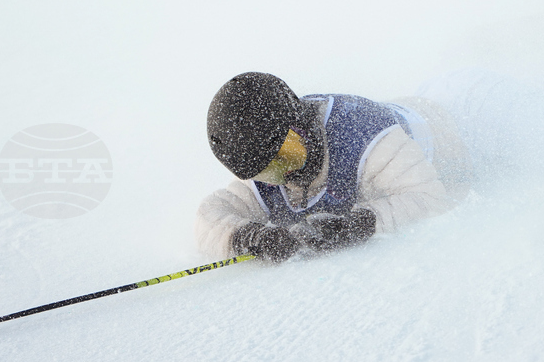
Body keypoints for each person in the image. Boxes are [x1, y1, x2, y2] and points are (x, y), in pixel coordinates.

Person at [195, 72, 472, 262]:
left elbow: (431, 198)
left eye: (288, 156)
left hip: (454, 128)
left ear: (300, 125)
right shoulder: (267, 162)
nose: (285, 175)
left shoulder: (365, 137)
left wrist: (356, 225)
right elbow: (209, 215)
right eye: (268, 171)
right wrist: (251, 238)